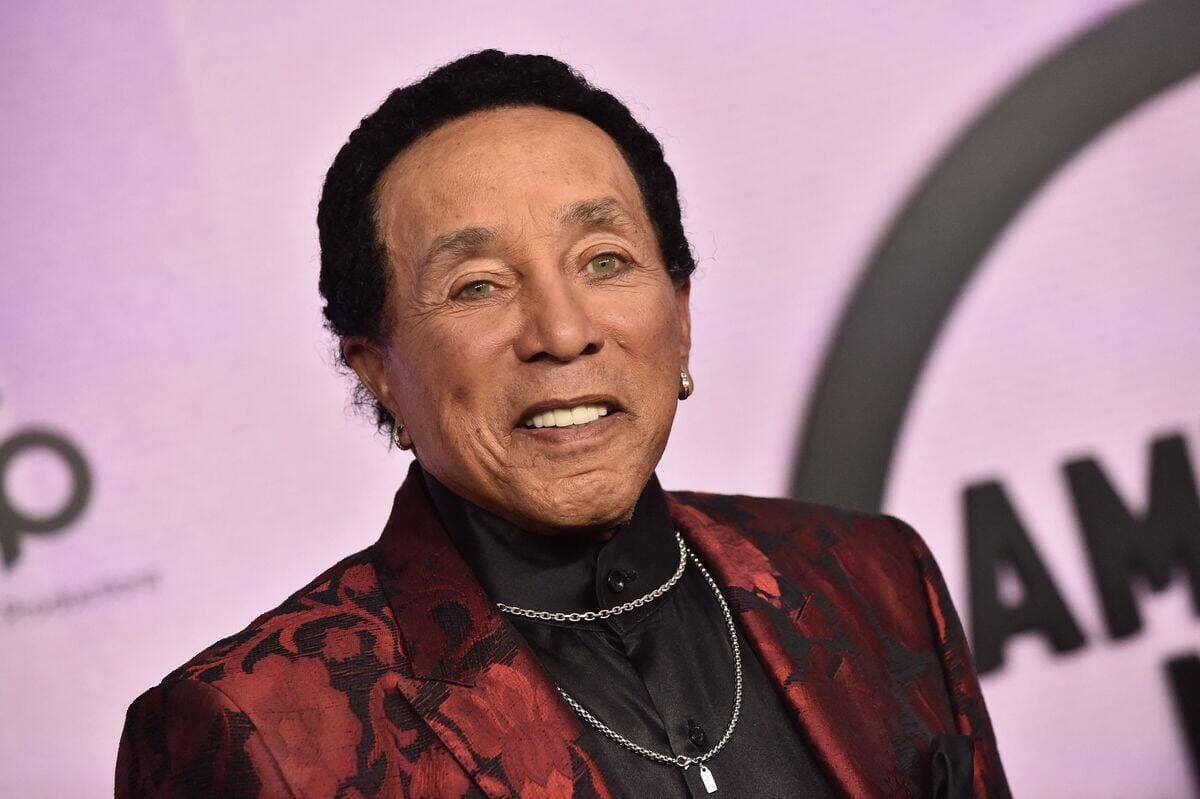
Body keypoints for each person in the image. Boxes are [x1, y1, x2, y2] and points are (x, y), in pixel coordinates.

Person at [116, 50, 1009, 798]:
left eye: (604, 260)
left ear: (680, 313)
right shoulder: (255, 727)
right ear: (378, 369)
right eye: (477, 285)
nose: (563, 330)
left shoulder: (875, 578)